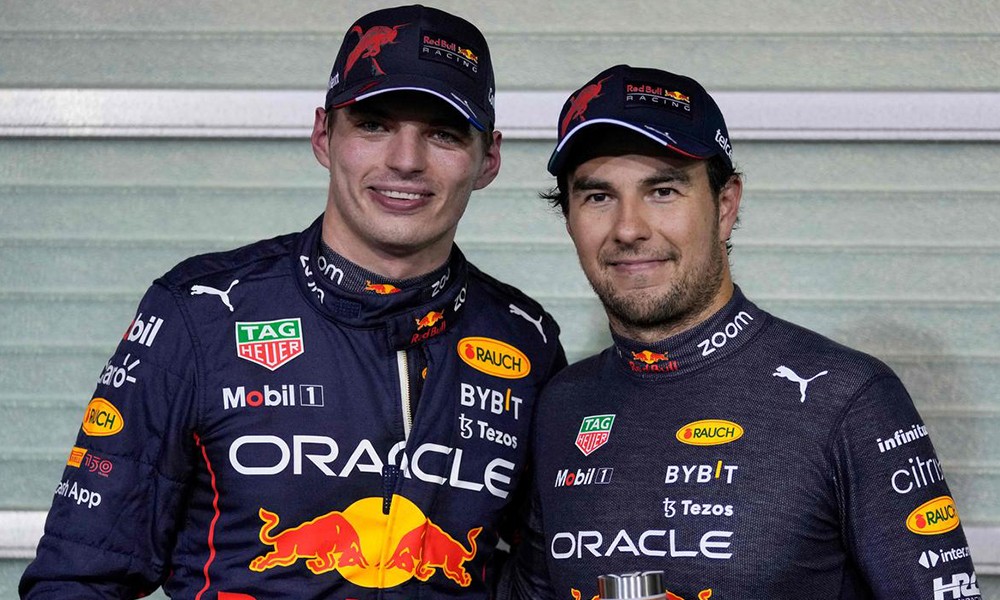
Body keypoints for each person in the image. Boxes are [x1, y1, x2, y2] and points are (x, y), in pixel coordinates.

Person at [20, 5, 566, 599]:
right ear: (323, 136)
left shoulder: (526, 340)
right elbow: (78, 578)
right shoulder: (200, 312)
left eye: (443, 134)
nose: (406, 160)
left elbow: (548, 575)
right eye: (373, 125)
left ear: (489, 159)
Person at [499, 64, 980, 600]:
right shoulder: (561, 403)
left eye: (663, 191)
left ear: (725, 206)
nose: (629, 228)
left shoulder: (850, 398)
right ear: (568, 219)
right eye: (597, 197)